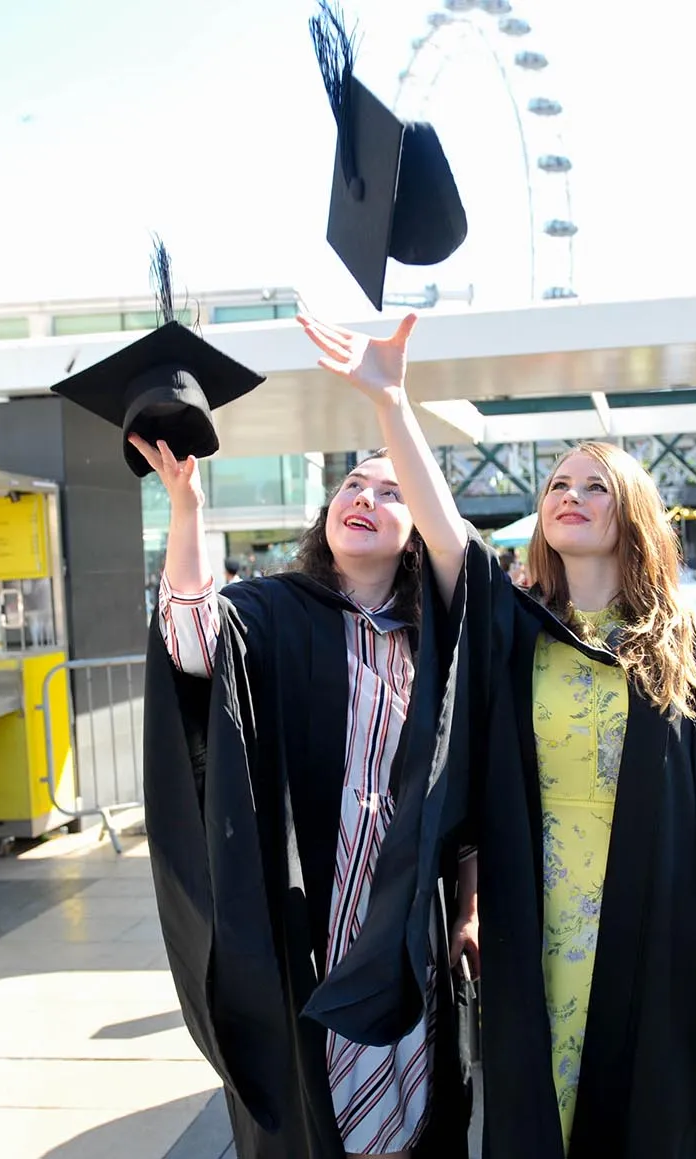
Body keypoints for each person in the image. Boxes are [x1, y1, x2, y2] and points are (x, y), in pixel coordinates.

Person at [138, 311, 474, 1158]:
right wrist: (187, 514)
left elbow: (458, 552)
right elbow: (189, 640)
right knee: (315, 1104)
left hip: (403, 912)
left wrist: (390, 404)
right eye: (352, 487)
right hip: (311, 908)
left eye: (389, 490)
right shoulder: (270, 612)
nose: (365, 497)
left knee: (409, 1101)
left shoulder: (434, 629)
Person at [448, 440, 696, 1157]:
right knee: (543, 1119)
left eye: (594, 486)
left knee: (652, 1119)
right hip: (536, 928)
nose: (570, 495)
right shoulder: (516, 640)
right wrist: (390, 402)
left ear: (631, 512)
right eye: (558, 484)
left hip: (658, 927)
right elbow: (483, 791)